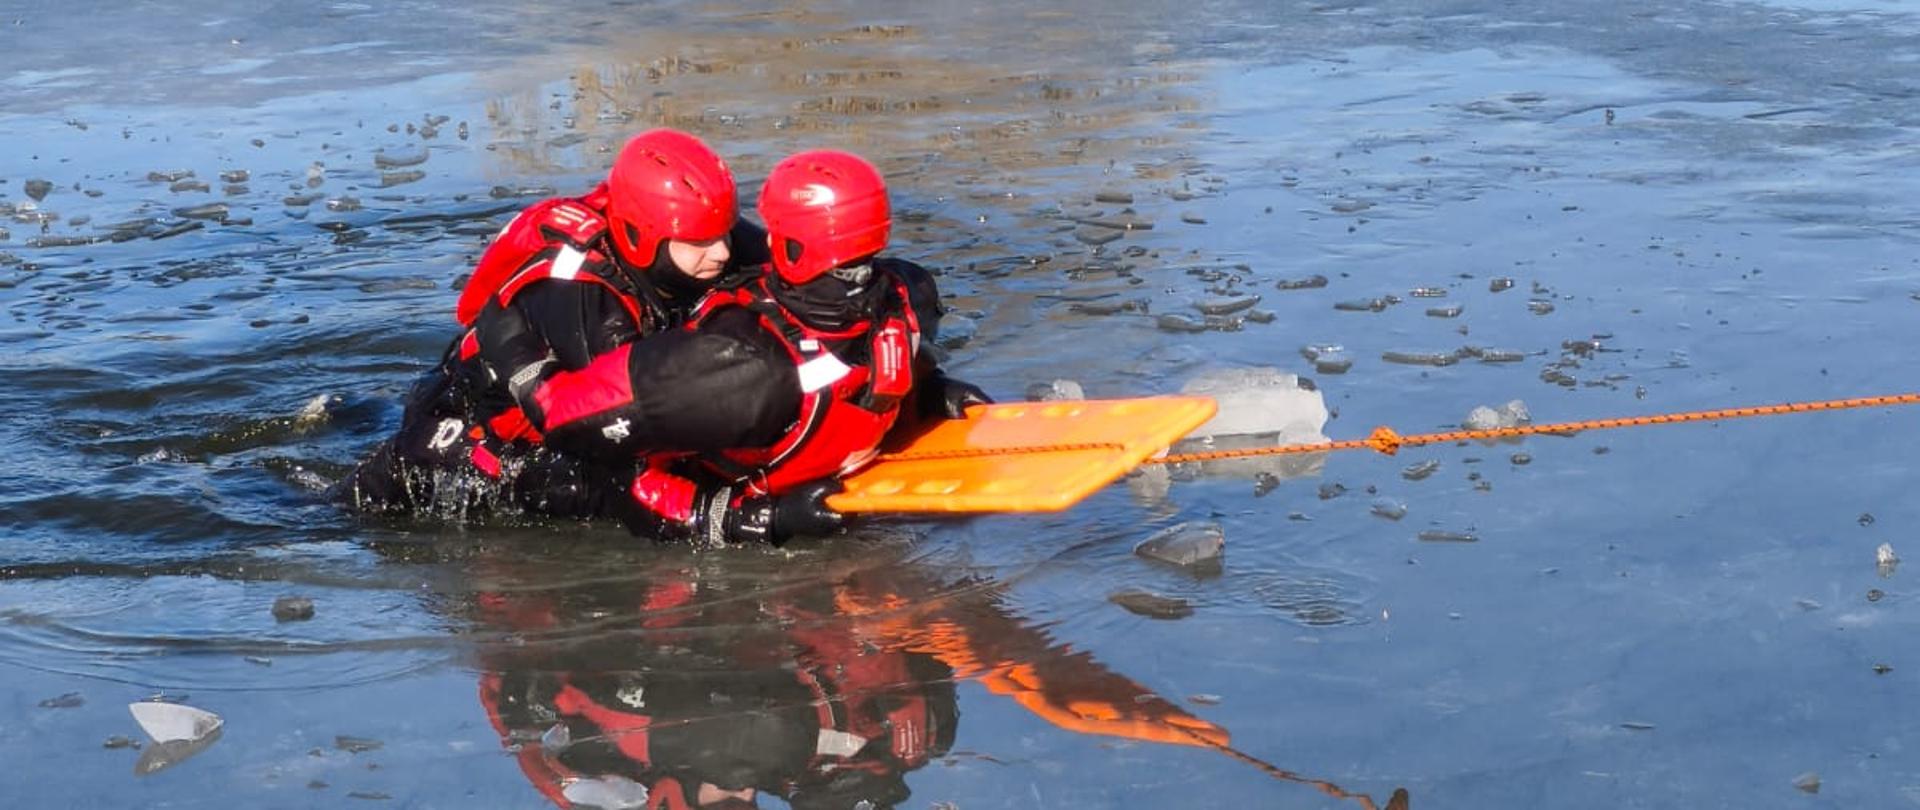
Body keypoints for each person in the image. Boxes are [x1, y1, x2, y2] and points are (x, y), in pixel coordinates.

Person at [524, 149, 991, 546]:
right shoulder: (910, 294)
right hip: (582, 434)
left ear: (781, 244)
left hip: (680, 399)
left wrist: (922, 392)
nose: (726, 252)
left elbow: (569, 420)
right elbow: (598, 457)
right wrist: (753, 521)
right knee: (567, 482)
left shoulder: (739, 369)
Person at [338, 128, 765, 518]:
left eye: (724, 232)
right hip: (461, 443)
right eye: (700, 242)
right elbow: (641, 424)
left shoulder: (696, 234)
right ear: (641, 236)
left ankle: (349, 412)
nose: (723, 252)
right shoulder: (583, 296)